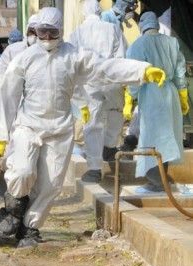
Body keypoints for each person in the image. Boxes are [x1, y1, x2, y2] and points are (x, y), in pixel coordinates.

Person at [0, 7, 165, 247]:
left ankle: (30, 228)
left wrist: (142, 71)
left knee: (51, 185)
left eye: (52, 32)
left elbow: (106, 68)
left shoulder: (74, 56)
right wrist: (1, 133)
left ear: (61, 31)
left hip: (60, 130)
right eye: (43, 32)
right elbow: (8, 95)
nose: (48, 38)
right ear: (35, 31)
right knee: (21, 172)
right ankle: (13, 209)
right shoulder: (25, 58)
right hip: (28, 126)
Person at [125, 12, 188, 193]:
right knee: (167, 137)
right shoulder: (172, 43)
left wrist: (130, 97)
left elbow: (133, 74)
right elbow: (179, 72)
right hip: (170, 93)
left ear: (142, 25)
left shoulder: (137, 45)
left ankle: (155, 181)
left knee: (151, 137)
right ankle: (160, 176)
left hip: (151, 93)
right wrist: (182, 95)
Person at [69, 0, 127, 183]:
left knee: (92, 123)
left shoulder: (76, 33)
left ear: (85, 12)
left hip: (90, 81)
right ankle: (109, 146)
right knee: (115, 113)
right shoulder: (113, 29)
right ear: (100, 11)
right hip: (111, 78)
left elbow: (73, 62)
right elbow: (122, 56)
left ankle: (94, 168)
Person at [0, 15, 39, 120]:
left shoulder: (50, 53)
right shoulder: (13, 50)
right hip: (14, 102)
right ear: (26, 31)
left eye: (38, 32)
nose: (35, 36)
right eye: (32, 32)